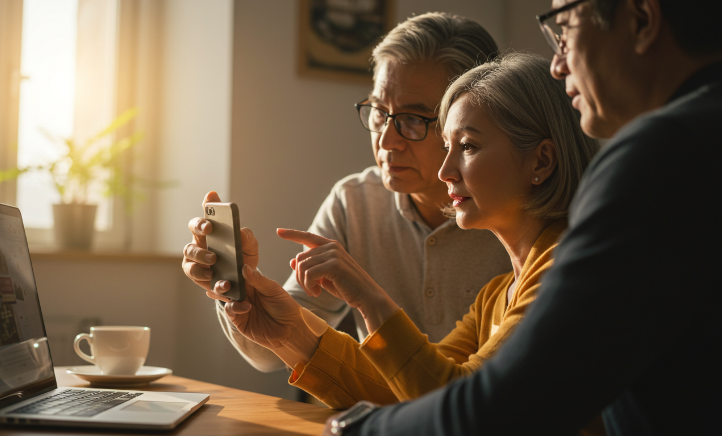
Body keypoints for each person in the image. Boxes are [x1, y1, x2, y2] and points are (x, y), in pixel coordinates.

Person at [320, 0, 722, 434]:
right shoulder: (496, 292)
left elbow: (507, 405)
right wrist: (289, 334)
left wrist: (363, 430)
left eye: (564, 27)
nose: (557, 63)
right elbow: (430, 386)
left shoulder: (663, 156)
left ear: (642, 19)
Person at [220, 53, 601, 420]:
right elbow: (406, 389)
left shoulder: (565, 270)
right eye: (448, 146)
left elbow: (460, 409)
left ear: (542, 160)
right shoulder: (497, 295)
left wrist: (370, 299)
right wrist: (292, 332)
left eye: (467, 146)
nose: (445, 171)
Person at [182, 13, 510, 372]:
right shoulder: (355, 202)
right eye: (379, 112)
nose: (386, 140)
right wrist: (235, 286)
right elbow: (272, 351)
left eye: (414, 119)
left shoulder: (518, 217)